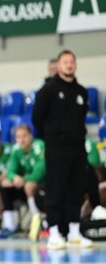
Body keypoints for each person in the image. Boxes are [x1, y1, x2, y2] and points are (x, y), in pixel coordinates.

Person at [33, 50, 93, 249]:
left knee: (76, 189)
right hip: (56, 149)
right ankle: (54, 233)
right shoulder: (48, 89)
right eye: (65, 62)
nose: (69, 65)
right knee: (55, 190)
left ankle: (74, 233)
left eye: (71, 62)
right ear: (59, 65)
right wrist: (53, 137)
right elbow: (37, 118)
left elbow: (81, 117)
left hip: (78, 149)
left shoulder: (81, 91)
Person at [0, 124, 46, 240]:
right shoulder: (16, 149)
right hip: (25, 187)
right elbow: (10, 171)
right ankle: (9, 226)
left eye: (24, 136)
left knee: (29, 185)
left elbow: (39, 172)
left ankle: (38, 222)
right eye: (18, 137)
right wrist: (15, 178)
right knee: (4, 185)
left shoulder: (39, 146)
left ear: (31, 136)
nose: (21, 140)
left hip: (44, 185)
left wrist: (23, 180)